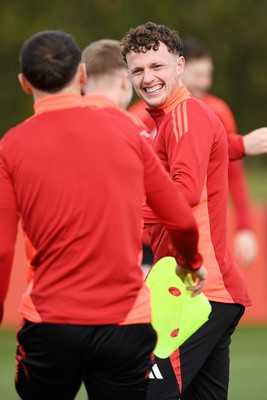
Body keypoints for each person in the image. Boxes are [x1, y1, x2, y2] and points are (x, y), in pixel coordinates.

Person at [0, 29, 206, 400]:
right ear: (80, 76)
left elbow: (1, 249)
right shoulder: (127, 130)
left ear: (23, 83)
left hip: (51, 320)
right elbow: (179, 217)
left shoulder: (11, 144)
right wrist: (191, 264)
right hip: (125, 323)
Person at [121, 21, 251, 400]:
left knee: (142, 392)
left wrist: (118, 214)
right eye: (138, 70)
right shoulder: (172, 119)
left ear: (180, 66)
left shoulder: (184, 115)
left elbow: (185, 193)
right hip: (206, 291)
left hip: (195, 290)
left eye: (157, 66)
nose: (148, 78)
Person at [181, 36, 257, 267]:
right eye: (198, 76)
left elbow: (234, 172)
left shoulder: (219, 112)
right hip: (152, 234)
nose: (205, 84)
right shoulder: (146, 117)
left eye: (208, 75)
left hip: (205, 229)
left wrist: (245, 226)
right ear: (179, 70)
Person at [81, 38, 154, 270]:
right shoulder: (135, 129)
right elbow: (161, 197)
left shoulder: (53, 126)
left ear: (81, 80)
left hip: (62, 265)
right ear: (125, 81)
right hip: (121, 260)